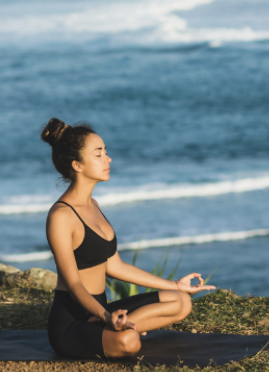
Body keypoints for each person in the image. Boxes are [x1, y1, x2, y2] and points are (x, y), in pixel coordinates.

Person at [41, 118, 216, 359]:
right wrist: (105, 316)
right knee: (129, 342)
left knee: (181, 301)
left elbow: (115, 266)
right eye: (99, 154)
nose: (108, 159)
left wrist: (175, 285)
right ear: (77, 165)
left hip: (100, 312)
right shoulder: (61, 216)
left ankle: (116, 326)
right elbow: (73, 285)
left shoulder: (93, 205)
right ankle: (118, 329)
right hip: (72, 322)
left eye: (106, 152)